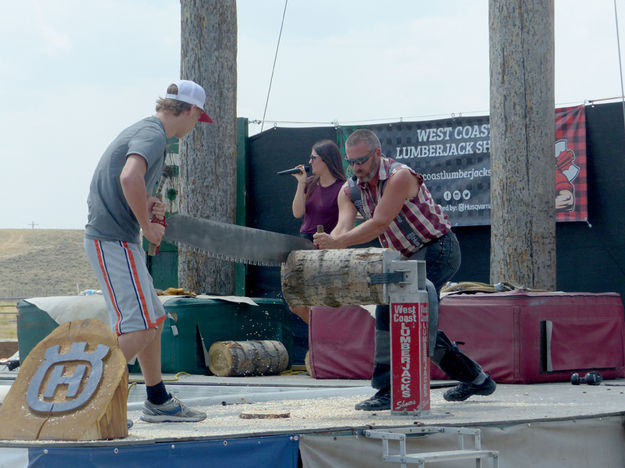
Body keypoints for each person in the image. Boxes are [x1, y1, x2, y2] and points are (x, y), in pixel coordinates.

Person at [314, 128, 496, 410]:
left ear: (377, 154)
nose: (356, 167)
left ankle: (387, 389)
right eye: (351, 162)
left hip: (438, 249)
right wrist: (330, 243)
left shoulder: (400, 176)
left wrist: (338, 243)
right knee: (411, 318)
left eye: (361, 160)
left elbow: (379, 223)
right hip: (407, 257)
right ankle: (476, 379)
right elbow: (343, 227)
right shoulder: (349, 190)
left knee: (396, 308)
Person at [84, 80, 211, 423]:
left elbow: (126, 182)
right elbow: (129, 178)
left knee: (153, 320)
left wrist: (146, 205)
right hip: (114, 240)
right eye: (198, 118)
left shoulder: (146, 129)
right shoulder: (154, 135)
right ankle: (83, 404)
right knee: (139, 328)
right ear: (192, 111)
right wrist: (147, 223)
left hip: (117, 238)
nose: (194, 126)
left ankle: (157, 399)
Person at [289, 140, 346, 323]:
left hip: (327, 245)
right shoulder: (311, 182)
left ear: (326, 160)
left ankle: (325, 337)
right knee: (296, 304)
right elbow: (297, 212)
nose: (310, 162)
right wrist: (300, 183)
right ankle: (322, 334)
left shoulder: (342, 187)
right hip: (305, 242)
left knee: (319, 302)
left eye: (313, 158)